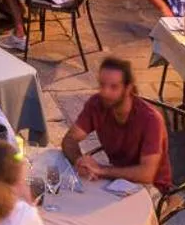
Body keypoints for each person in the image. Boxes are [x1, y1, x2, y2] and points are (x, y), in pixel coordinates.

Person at [61, 56, 171, 192]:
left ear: (128, 88)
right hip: (116, 178)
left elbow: (146, 174)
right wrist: (79, 161)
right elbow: (69, 139)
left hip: (153, 187)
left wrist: (101, 170)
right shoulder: (96, 104)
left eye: (113, 87)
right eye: (102, 85)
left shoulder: (151, 119)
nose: (105, 92)